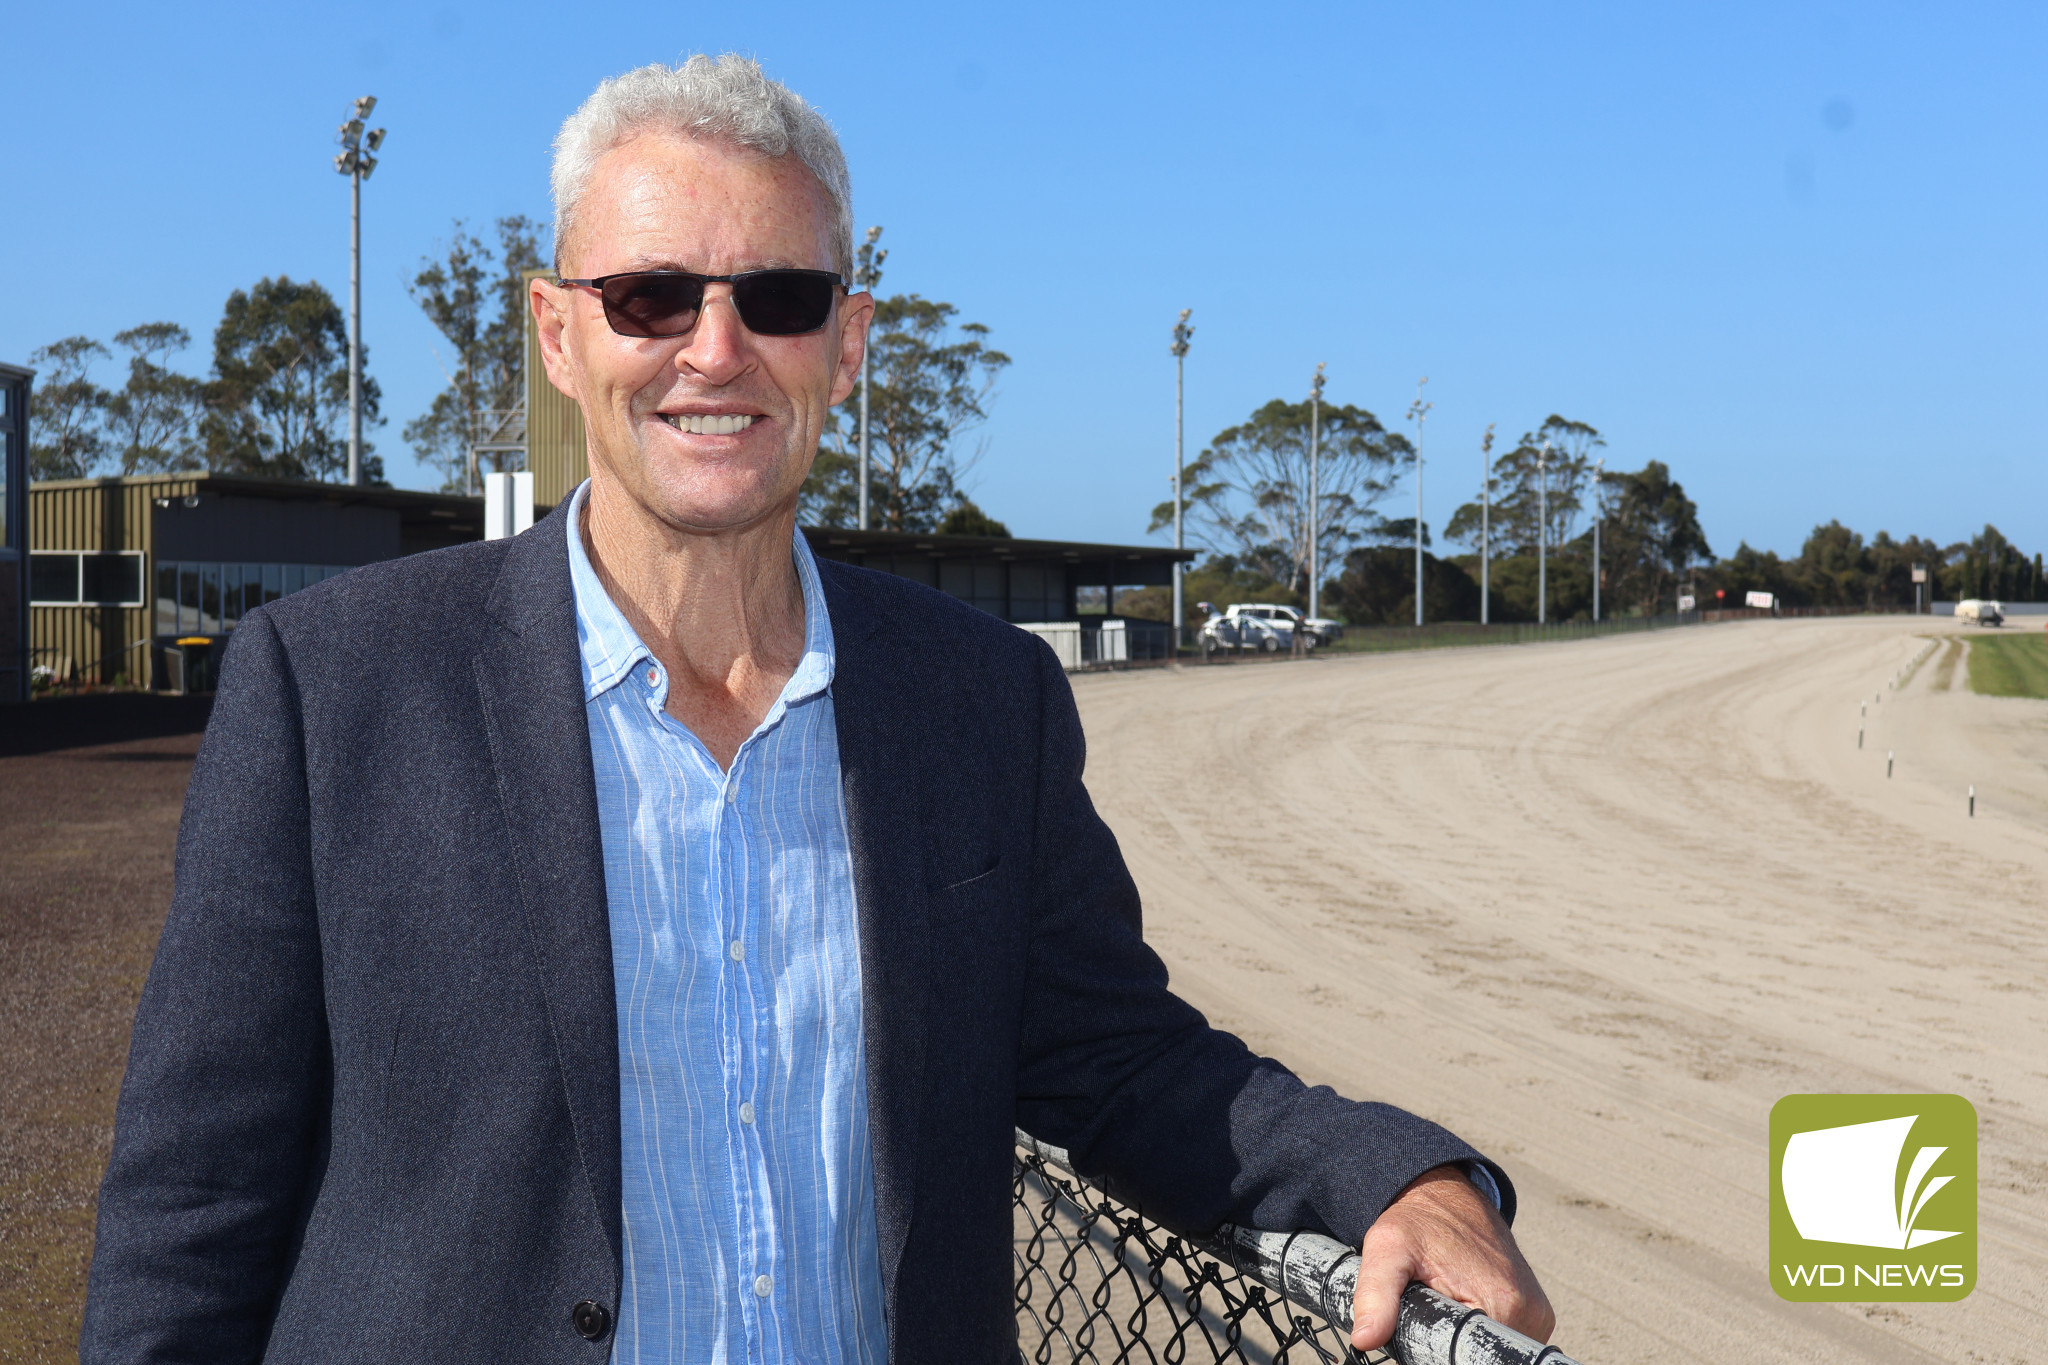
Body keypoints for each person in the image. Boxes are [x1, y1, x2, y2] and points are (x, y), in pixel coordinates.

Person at [81, 55, 1551, 1364]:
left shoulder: (984, 701)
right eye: (650, 294)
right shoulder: (329, 686)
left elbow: (1120, 1056)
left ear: (846, 344)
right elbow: (195, 1199)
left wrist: (1392, 1174)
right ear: (557, 333)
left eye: (776, 298)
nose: (714, 351)